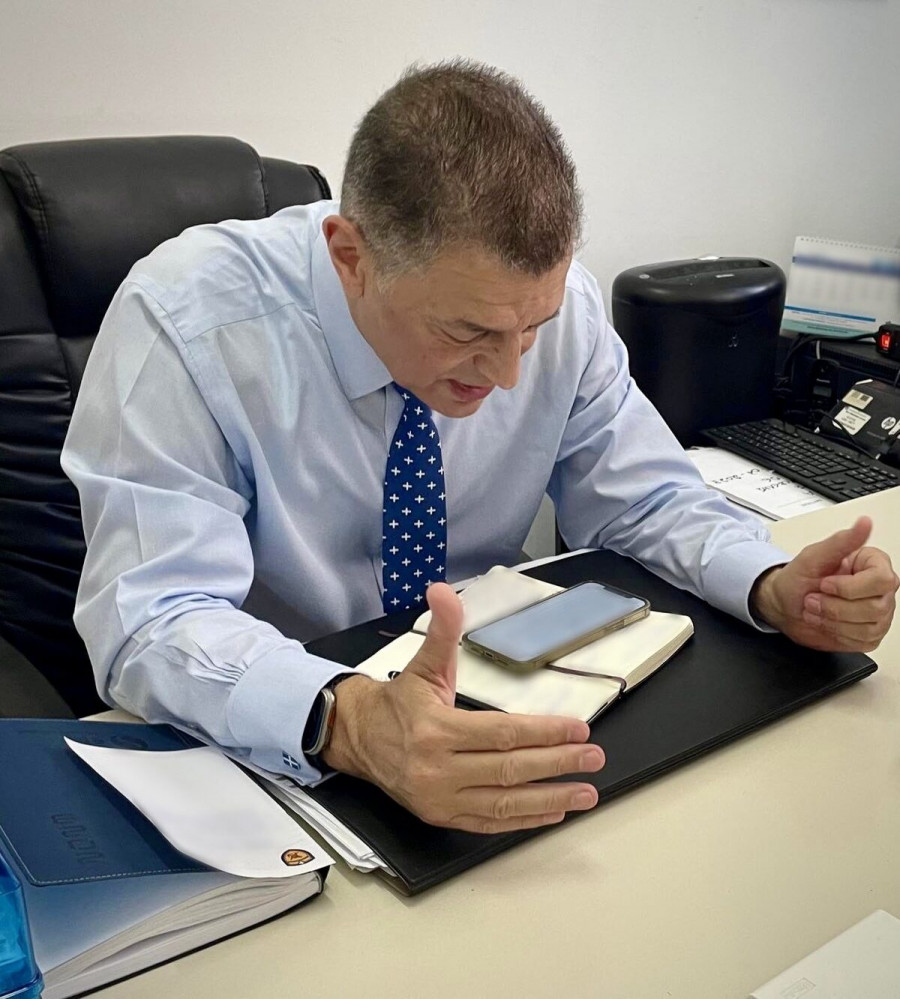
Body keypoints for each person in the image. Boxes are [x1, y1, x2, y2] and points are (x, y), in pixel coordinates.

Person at [62, 60, 897, 836]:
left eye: (530, 330)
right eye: (469, 332)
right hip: (277, 738)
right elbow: (153, 616)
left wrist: (771, 583)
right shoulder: (187, 325)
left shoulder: (556, 305)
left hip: (493, 696)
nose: (507, 375)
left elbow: (645, 497)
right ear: (351, 258)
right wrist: (350, 718)